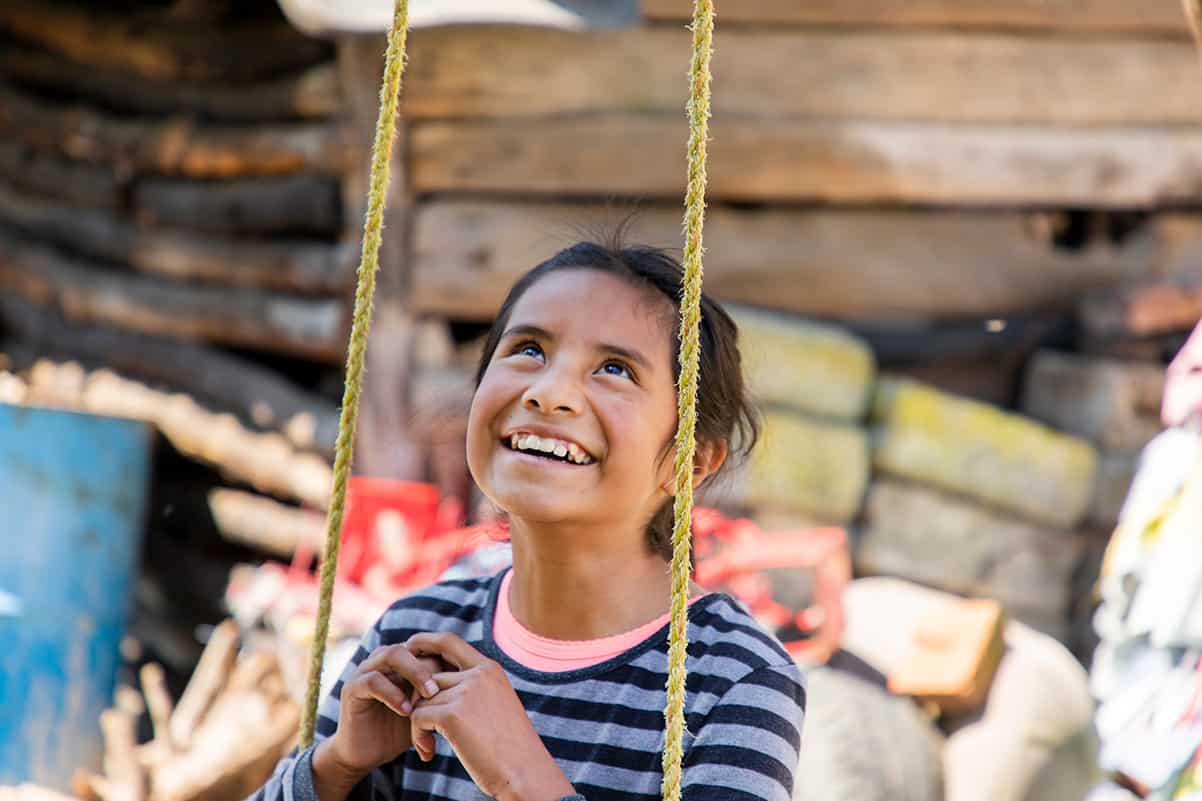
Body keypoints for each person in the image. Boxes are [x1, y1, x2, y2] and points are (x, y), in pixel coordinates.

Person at [248, 237, 808, 801]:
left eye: (614, 369)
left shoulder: (734, 678)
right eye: (530, 351)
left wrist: (519, 776)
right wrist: (336, 765)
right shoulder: (419, 633)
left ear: (689, 462)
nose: (549, 392)